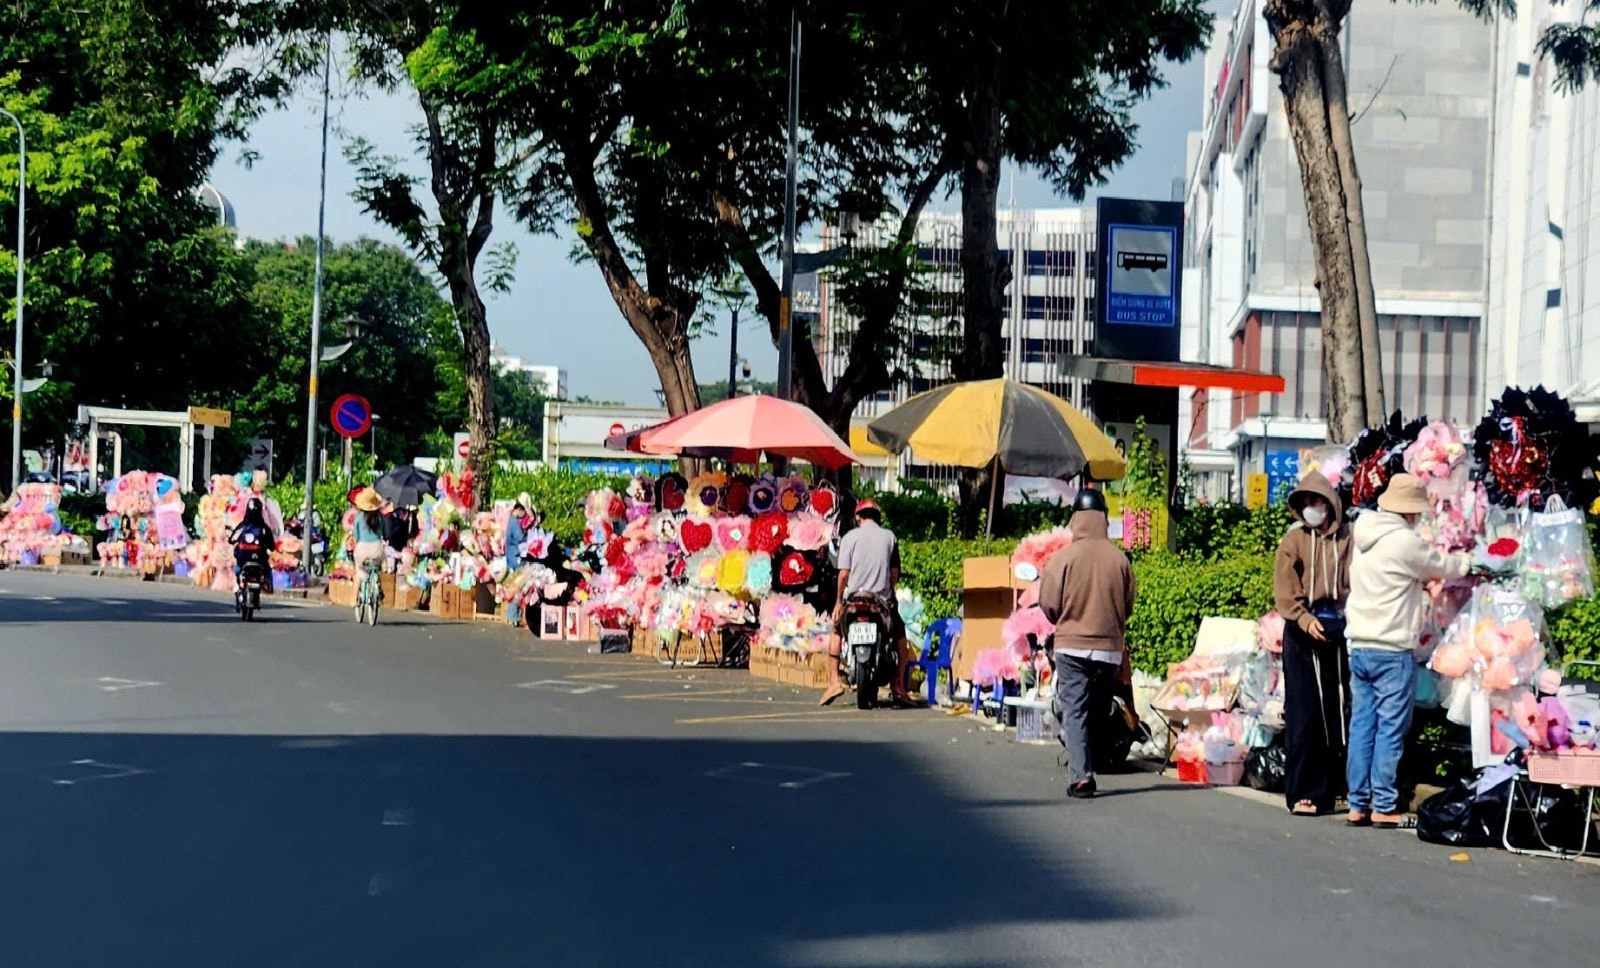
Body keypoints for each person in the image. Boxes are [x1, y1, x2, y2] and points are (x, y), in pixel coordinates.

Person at [1344, 473, 1471, 829]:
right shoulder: (1404, 542)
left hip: (1360, 646)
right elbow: (1443, 565)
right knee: (1389, 728)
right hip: (1392, 648)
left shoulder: (1364, 533)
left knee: (1362, 726)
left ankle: (1358, 804)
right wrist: (1469, 564)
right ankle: (1384, 804)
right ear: (1411, 512)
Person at [1040, 487, 1136, 800]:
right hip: (1108, 649)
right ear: (1104, 519)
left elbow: (1049, 605)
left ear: (1076, 519)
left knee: (1075, 709)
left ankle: (1082, 777)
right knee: (1096, 709)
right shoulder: (1120, 560)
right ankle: (1091, 762)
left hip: (1070, 647)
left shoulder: (1063, 559)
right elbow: (1128, 604)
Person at [1273, 471, 1353, 817]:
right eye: (1305, 502)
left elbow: (1356, 582)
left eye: (1316, 501)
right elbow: (1285, 590)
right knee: (1305, 713)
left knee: (1339, 711)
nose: (1311, 508)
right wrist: (1305, 619)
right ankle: (1304, 791)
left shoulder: (1349, 539)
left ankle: (1339, 787)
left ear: (1330, 505)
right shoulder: (1294, 541)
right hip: (1303, 631)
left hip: (1339, 629)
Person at [821, 499, 919, 708]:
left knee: (837, 631)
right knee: (900, 636)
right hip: (880, 601)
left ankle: (833, 681)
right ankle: (898, 686)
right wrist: (890, 592)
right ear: (877, 517)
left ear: (858, 517)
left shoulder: (849, 537)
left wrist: (838, 602)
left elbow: (843, 574)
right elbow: (894, 573)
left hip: (854, 600)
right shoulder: (889, 537)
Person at [228, 497, 276, 586]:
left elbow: (232, 539)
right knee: (267, 569)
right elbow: (272, 545)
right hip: (258, 559)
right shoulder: (263, 527)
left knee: (238, 569)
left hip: (246, 559)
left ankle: (240, 585)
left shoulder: (244, 526)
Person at [351, 487, 387, 586]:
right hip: (377, 549)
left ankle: (363, 579)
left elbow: (356, 537)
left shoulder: (358, 517)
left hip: (362, 549)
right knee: (381, 564)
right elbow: (384, 533)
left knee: (360, 568)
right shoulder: (380, 517)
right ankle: (377, 582)